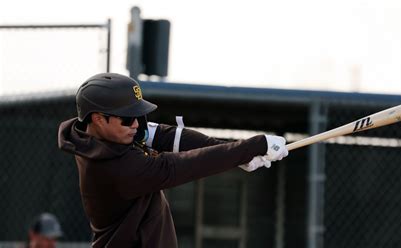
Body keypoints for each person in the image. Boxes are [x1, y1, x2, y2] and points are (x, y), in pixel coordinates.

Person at [57, 73, 288, 247]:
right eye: (127, 119)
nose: (136, 125)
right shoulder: (115, 168)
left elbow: (165, 136)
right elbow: (181, 165)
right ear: (98, 119)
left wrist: (237, 154)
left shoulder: (100, 135)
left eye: (138, 116)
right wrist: (253, 146)